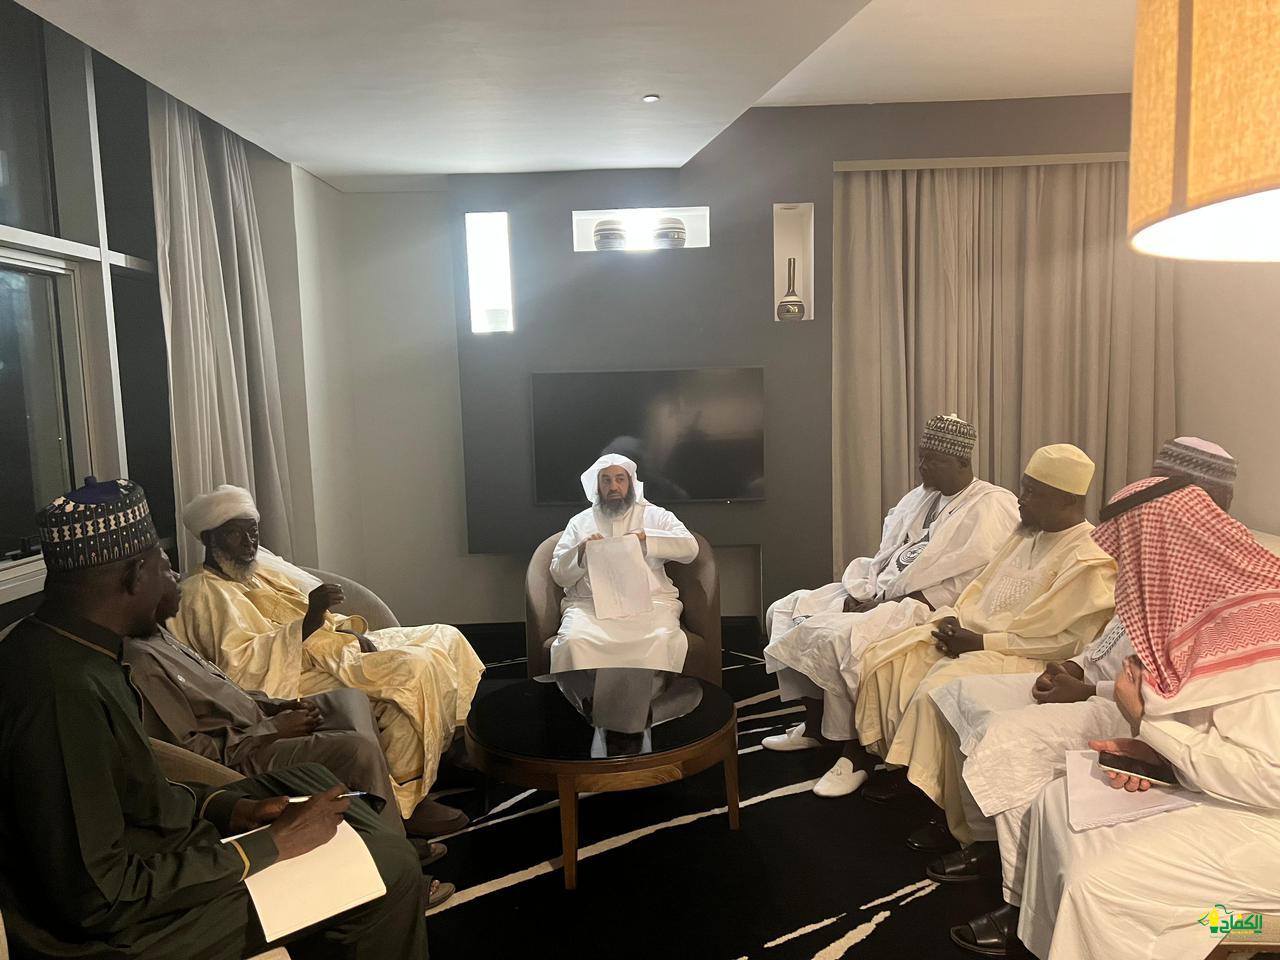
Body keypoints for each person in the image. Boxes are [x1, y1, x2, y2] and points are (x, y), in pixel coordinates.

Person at [0, 478, 428, 959]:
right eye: (162, 566)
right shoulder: (62, 695)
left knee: (313, 782)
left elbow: (140, 795)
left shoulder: (76, 649)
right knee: (389, 869)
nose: (172, 579)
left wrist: (229, 809)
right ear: (135, 576)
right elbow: (100, 897)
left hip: (154, 857)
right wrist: (269, 844)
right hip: (117, 935)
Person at [927, 438, 1239, 899]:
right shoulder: (1156, 555)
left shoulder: (1223, 577)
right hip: (1091, 681)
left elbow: (1181, 691)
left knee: (1007, 737)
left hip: (1136, 712)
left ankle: (1019, 892)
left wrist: (1090, 691)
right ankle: (985, 840)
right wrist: (1073, 667)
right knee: (961, 695)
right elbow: (1111, 636)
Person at [1009, 477, 1280, 960]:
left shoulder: (1259, 630)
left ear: (1165, 554)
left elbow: (1268, 778)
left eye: (1130, 560)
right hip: (1231, 796)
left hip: (1266, 826)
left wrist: (1148, 726)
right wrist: (1159, 758)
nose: (1126, 580)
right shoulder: (1208, 615)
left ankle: (1225, 929)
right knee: (1056, 801)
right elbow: (1220, 735)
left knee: (1098, 885)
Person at [170, 484, 483, 837]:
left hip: (329, 645)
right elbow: (239, 670)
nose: (248, 542)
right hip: (289, 674)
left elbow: (306, 612)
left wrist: (346, 631)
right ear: (209, 538)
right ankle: (406, 801)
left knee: (446, 636)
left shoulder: (259, 569)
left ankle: (446, 750)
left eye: (252, 531)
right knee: (413, 670)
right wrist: (310, 621)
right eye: (235, 533)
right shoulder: (201, 592)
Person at [854, 444, 1116, 846]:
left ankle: (946, 813)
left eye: (1032, 493)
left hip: (1025, 656)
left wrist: (980, 642)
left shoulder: (1090, 557)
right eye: (1024, 488)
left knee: (938, 689)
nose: (1020, 499)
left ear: (1067, 501)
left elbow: (1065, 640)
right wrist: (954, 621)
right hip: (975, 637)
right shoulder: (1026, 533)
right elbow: (980, 588)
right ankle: (910, 774)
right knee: (890, 659)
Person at [124, 566, 450, 873]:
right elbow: (194, 754)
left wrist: (279, 707)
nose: (177, 575)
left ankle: (376, 825)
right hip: (242, 756)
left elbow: (230, 691)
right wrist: (273, 730)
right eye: (165, 569)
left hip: (259, 724)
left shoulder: (160, 636)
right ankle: (398, 861)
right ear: (138, 585)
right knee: (357, 749)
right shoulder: (142, 662)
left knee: (350, 700)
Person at [761, 414, 1020, 798]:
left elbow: (971, 581)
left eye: (933, 460)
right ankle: (815, 727)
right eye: (921, 457)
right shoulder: (921, 496)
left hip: (925, 605)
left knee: (837, 638)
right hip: (879, 591)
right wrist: (865, 592)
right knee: (784, 609)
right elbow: (889, 555)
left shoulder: (992, 505)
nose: (922, 466)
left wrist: (885, 603)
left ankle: (857, 754)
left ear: (962, 462)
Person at [548, 455, 699, 737]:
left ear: (630, 483)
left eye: (620, 479)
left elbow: (690, 549)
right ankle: (603, 707)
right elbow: (558, 573)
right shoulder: (580, 522)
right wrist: (580, 552)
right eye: (606, 480)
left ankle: (628, 711)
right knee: (573, 642)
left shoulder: (655, 516)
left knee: (659, 638)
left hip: (650, 605)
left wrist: (647, 538)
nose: (613, 486)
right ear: (597, 485)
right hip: (590, 607)